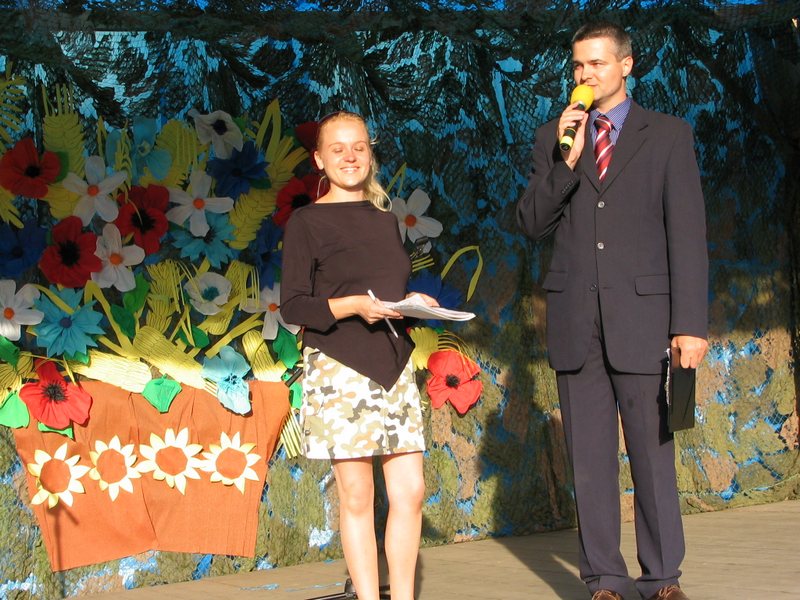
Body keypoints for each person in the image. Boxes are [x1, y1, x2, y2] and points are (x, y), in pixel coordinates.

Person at [516, 21, 708, 600]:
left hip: (644, 320)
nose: (585, 74)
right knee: (590, 462)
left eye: (596, 63)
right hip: (577, 322)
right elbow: (530, 222)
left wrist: (689, 325)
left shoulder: (668, 135)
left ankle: (663, 578)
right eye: (578, 65)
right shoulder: (554, 136)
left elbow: (687, 235)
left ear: (627, 65)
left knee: (652, 456)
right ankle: (604, 579)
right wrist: (565, 161)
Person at [280, 111, 437, 600]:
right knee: (357, 494)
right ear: (319, 159)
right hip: (340, 367)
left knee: (410, 491)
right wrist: (351, 306)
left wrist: (412, 303)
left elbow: (385, 291)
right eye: (338, 148)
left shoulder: (386, 220)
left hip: (393, 364)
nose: (350, 156)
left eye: (360, 147)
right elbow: (293, 306)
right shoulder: (306, 222)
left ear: (370, 154)